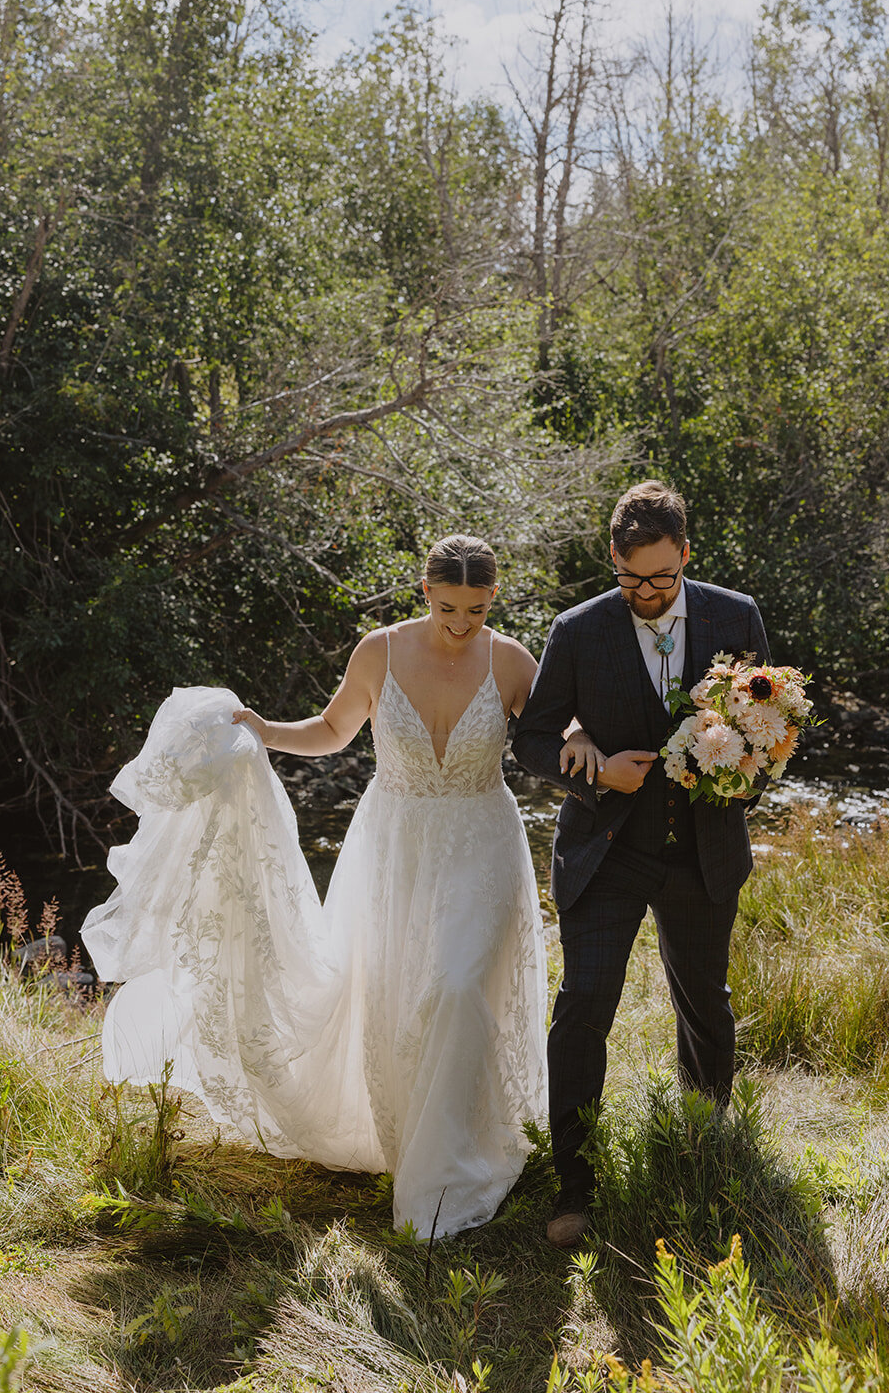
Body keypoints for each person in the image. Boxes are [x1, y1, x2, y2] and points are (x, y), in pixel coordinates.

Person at [82, 534, 600, 1241]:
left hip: (481, 842)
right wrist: (264, 730)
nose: (460, 624)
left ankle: (445, 1177)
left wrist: (581, 735)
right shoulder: (379, 652)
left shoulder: (508, 660)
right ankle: (410, 1135)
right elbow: (332, 730)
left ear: (493, 600)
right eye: (448, 608)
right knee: (399, 992)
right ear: (425, 593)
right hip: (394, 844)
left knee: (457, 986)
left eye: (476, 610)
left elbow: (553, 722)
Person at [512, 481, 771, 1249]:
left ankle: (702, 1155)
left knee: (705, 1009)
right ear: (613, 559)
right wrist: (592, 768)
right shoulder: (577, 628)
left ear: (685, 555)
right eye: (631, 579)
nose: (646, 593)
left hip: (704, 851)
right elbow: (531, 740)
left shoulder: (735, 616)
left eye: (661, 577)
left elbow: (767, 726)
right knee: (582, 1007)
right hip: (606, 851)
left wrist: (742, 776)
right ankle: (575, 1185)